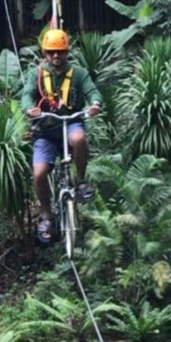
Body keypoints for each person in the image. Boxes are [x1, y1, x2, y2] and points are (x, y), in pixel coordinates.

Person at [21, 28, 102, 244]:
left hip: (71, 122)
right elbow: (27, 95)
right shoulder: (36, 74)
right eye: (51, 52)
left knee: (79, 139)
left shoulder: (79, 73)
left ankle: (80, 180)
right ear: (44, 53)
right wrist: (30, 108)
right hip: (45, 130)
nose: (56, 57)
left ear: (67, 52)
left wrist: (95, 104)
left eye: (60, 52)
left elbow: (92, 91)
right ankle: (46, 215)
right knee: (39, 173)